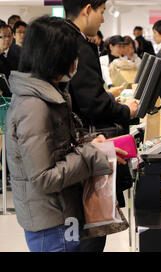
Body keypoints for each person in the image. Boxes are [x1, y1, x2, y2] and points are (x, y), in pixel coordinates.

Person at [5, 15, 116, 252]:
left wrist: (89, 142)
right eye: (71, 54)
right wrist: (92, 155)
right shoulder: (35, 106)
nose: (75, 61)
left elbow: (59, 146)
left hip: (60, 214)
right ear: (56, 56)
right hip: (52, 223)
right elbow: (44, 177)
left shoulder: (49, 94)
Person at [62, 0, 138, 252]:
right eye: (102, 10)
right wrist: (124, 110)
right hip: (86, 146)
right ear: (87, 9)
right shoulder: (79, 45)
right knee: (92, 231)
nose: (104, 18)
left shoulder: (67, 39)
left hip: (73, 148)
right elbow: (92, 102)